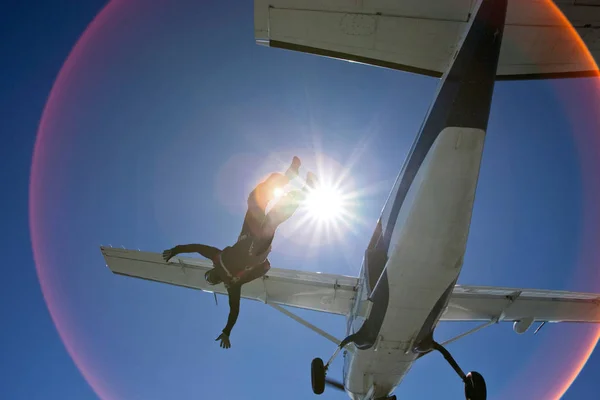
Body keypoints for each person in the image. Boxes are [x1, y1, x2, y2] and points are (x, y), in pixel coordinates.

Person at [162, 156, 316, 349]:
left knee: (255, 198)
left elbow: (196, 248)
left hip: (247, 234)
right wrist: (227, 331)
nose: (210, 278)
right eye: (211, 280)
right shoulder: (231, 285)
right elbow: (234, 311)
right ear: (217, 281)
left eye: (208, 277)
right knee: (273, 218)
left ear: (211, 271)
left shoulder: (217, 258)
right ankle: (306, 190)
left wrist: (176, 250)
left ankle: (290, 174)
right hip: (256, 251)